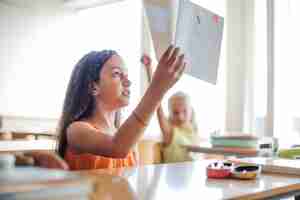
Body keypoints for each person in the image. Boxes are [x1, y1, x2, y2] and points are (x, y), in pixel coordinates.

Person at [57, 45, 186, 170]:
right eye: (117, 74)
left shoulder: (127, 137)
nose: (128, 82)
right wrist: (158, 88)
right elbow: (117, 147)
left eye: (127, 75)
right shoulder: (76, 130)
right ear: (93, 87)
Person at [142, 54, 198, 163]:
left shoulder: (194, 133)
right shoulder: (170, 133)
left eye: (184, 111)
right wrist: (149, 70)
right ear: (170, 114)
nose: (181, 117)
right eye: (175, 112)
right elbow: (156, 103)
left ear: (191, 110)